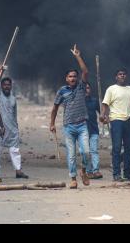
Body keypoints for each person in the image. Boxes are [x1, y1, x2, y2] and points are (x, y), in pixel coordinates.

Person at [50, 44, 91, 189]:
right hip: (68, 126)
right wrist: (52, 123)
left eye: (74, 76)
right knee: (72, 155)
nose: (73, 78)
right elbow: (55, 107)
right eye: (70, 76)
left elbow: (85, 71)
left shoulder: (81, 87)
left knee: (86, 152)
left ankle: (84, 171)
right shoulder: (62, 91)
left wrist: (77, 56)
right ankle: (73, 178)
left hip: (82, 125)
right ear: (66, 78)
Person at [100, 68, 130, 182]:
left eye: (124, 74)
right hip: (116, 120)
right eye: (120, 74)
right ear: (116, 77)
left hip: (128, 120)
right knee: (117, 147)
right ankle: (116, 174)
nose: (122, 76)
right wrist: (102, 115)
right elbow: (105, 103)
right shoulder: (111, 89)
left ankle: (128, 172)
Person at [0, 77, 29, 179]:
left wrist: (16, 127)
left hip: (12, 129)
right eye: (5, 84)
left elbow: (14, 114)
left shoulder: (13, 98)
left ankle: (18, 171)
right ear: (1, 86)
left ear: (11, 86)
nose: (7, 86)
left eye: (8, 85)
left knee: (15, 151)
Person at [82, 82, 103, 179]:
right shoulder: (78, 102)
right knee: (85, 152)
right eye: (85, 88)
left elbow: (101, 114)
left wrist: (104, 118)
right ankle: (88, 171)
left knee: (94, 151)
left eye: (88, 88)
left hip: (94, 129)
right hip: (82, 131)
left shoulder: (94, 101)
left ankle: (96, 171)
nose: (87, 90)